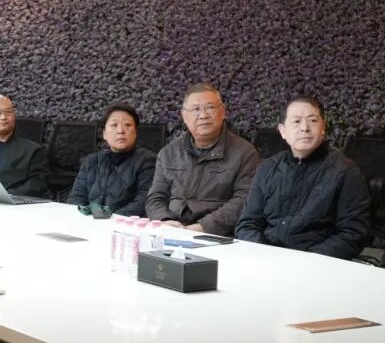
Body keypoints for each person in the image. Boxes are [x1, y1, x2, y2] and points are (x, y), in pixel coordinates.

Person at [235, 96, 371, 259]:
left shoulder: (346, 172)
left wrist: (305, 261)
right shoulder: (267, 168)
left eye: (312, 121)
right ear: (283, 131)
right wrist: (264, 254)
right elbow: (247, 224)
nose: (304, 128)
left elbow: (353, 233)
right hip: (265, 258)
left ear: (323, 128)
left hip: (316, 263)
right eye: (296, 121)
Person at [146, 83, 260, 235]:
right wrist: (164, 221)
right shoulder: (168, 153)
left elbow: (244, 200)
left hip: (218, 235)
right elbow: (156, 196)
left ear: (223, 112)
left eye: (210, 107)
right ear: (184, 116)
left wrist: (202, 227)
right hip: (171, 230)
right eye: (196, 109)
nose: (203, 115)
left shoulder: (245, 152)